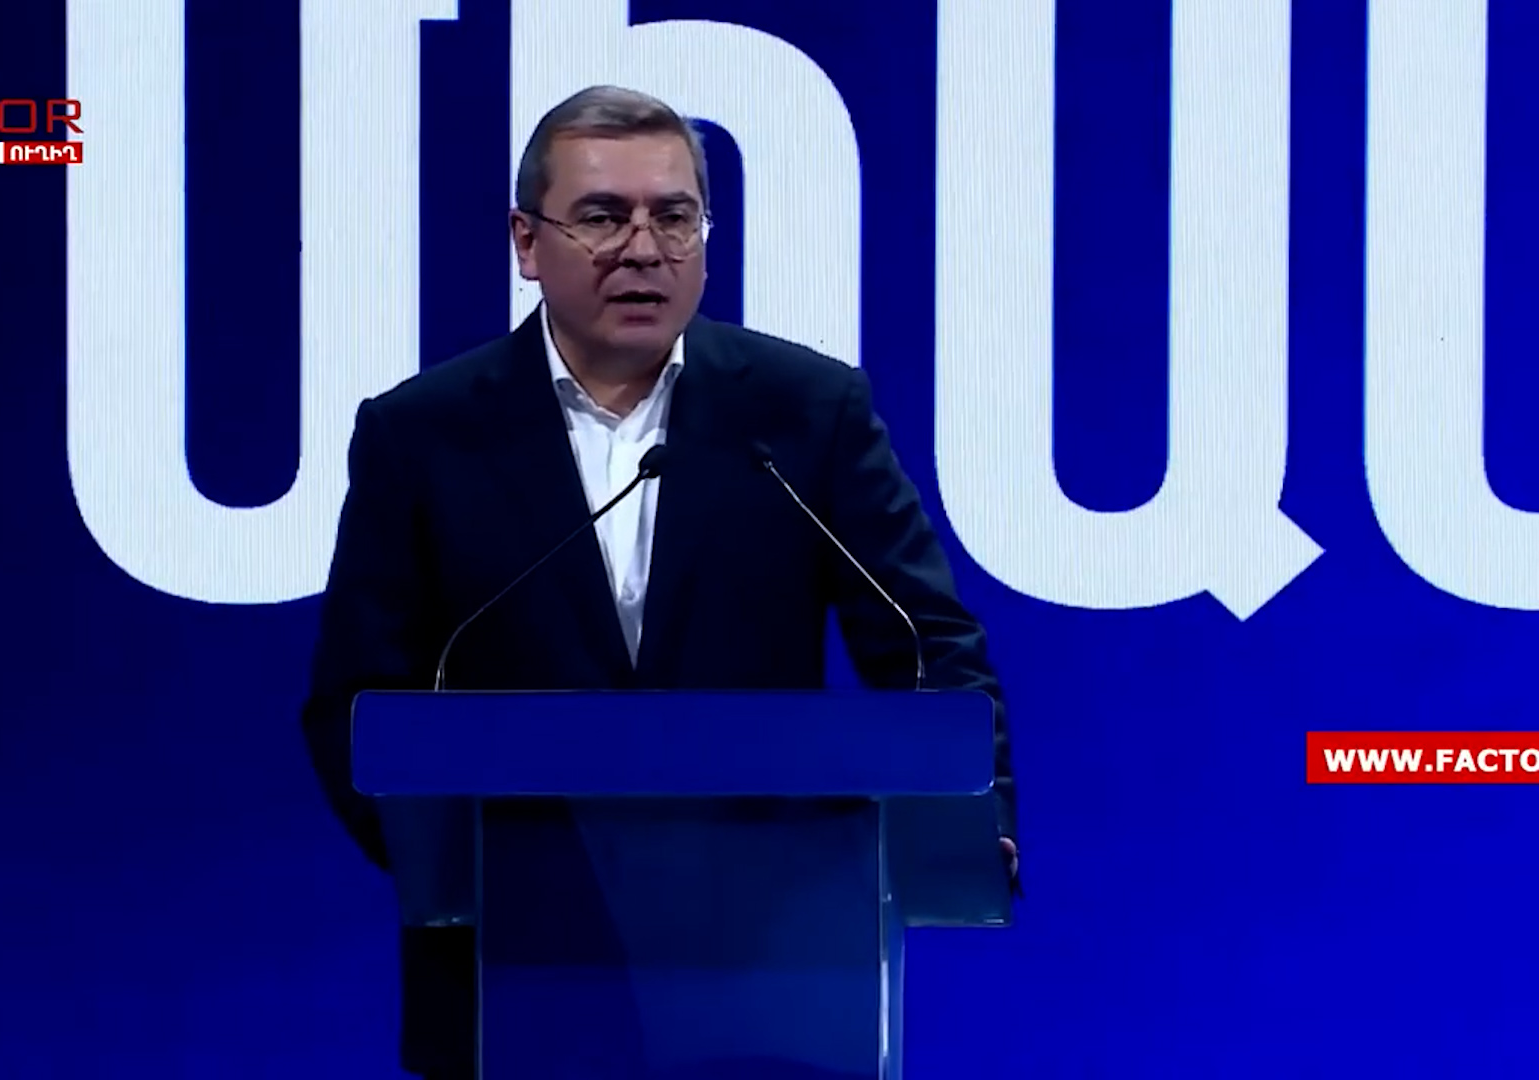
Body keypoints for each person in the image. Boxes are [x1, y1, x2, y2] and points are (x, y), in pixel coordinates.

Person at [301, 84, 1016, 1080]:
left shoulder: (806, 412)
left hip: (775, 965)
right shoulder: (422, 435)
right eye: (602, 217)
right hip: (515, 970)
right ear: (526, 241)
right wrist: (463, 863)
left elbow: (926, 639)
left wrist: (981, 821)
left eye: (674, 217)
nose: (643, 248)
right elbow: (355, 697)